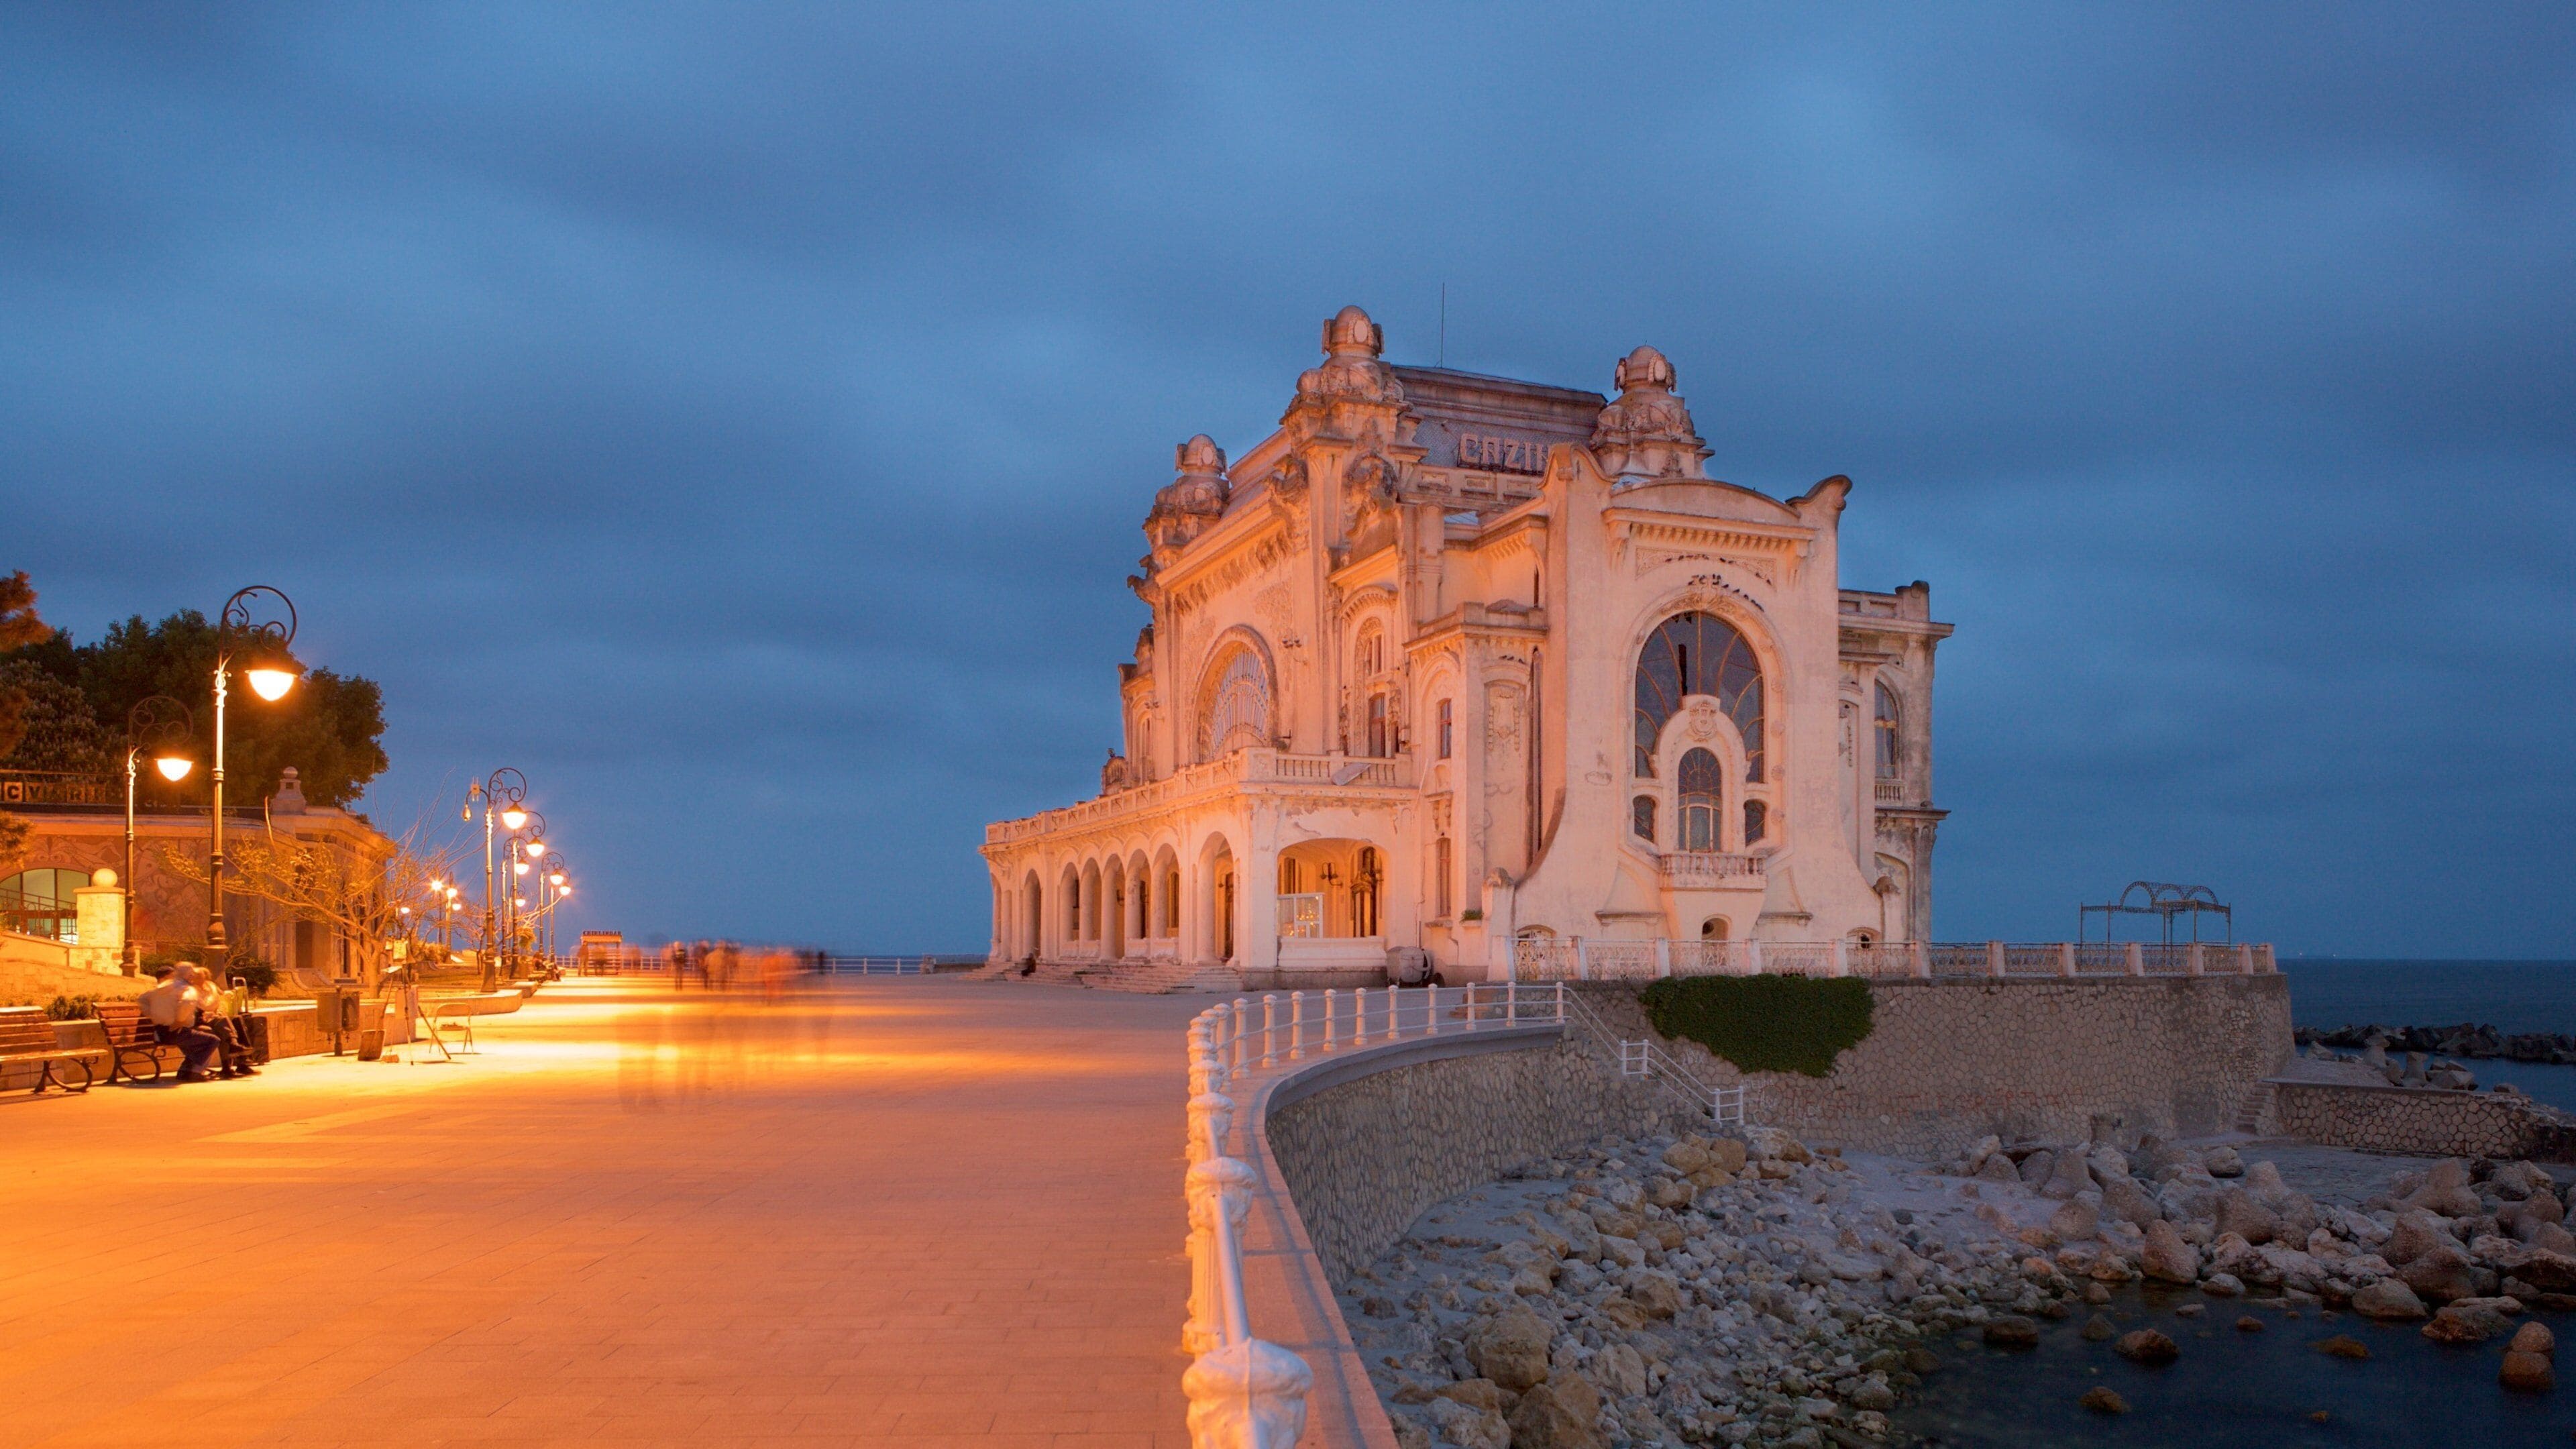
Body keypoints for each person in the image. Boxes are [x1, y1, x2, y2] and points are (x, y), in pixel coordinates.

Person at [137, 963, 222, 1082]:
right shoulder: (187, 988)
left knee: (199, 1038)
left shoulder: (164, 986)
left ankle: (186, 1070)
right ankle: (194, 1072)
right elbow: (188, 1002)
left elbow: (142, 999)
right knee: (212, 1040)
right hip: (177, 1031)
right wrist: (179, 1021)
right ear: (189, 975)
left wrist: (152, 1015)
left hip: (160, 1032)